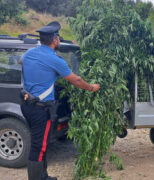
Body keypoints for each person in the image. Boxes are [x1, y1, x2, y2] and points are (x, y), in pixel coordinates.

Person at [21, 21, 100, 180]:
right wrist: (92, 87)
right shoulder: (55, 60)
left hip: (27, 105)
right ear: (55, 40)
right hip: (40, 109)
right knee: (39, 146)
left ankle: (43, 176)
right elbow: (76, 80)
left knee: (40, 143)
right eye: (58, 38)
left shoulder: (29, 53)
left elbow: (21, 61)